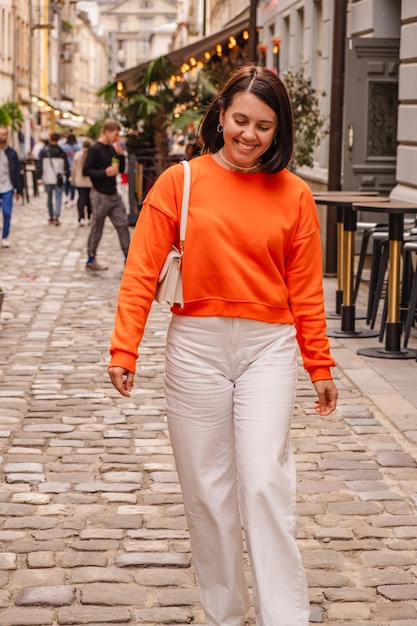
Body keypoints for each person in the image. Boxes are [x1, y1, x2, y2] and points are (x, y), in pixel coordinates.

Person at [108, 64, 338, 626]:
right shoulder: (179, 183)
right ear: (220, 116)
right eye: (240, 120)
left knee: (264, 482)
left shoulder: (295, 194)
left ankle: (286, 618)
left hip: (270, 348)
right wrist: (124, 348)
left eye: (264, 125)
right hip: (196, 347)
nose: (249, 135)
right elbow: (141, 271)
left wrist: (319, 362)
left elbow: (306, 289)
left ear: (279, 131)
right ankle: (225, 616)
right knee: (208, 493)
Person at [83, 119, 130, 271]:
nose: (117, 139)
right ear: (107, 132)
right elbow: (86, 170)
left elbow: (121, 169)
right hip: (100, 195)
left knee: (123, 225)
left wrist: (121, 156)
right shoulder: (95, 149)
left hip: (113, 194)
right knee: (97, 228)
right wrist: (104, 172)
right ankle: (91, 258)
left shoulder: (112, 149)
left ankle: (128, 259)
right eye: (115, 135)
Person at [0, 125, 23, 247]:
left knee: (7, 212)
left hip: (7, 186)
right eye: (0, 134)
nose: (1, 137)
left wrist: (19, 190)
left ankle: (5, 236)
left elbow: (17, 172)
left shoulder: (12, 153)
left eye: (3, 134)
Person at [39, 133, 69, 225]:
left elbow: (40, 166)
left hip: (47, 178)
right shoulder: (62, 152)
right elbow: (66, 167)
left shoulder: (44, 152)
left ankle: (51, 215)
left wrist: (40, 176)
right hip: (58, 178)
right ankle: (57, 215)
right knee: (58, 197)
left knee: (49, 198)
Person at [71, 139, 92, 225]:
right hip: (90, 181)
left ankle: (81, 217)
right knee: (89, 200)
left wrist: (73, 179)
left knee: (81, 198)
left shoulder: (77, 155)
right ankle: (89, 217)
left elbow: (73, 169)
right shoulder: (91, 155)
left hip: (79, 180)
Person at [62, 133, 80, 204]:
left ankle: (66, 196)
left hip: (67, 167)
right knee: (73, 183)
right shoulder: (77, 147)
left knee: (66, 182)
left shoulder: (65, 147)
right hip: (75, 168)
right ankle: (72, 198)